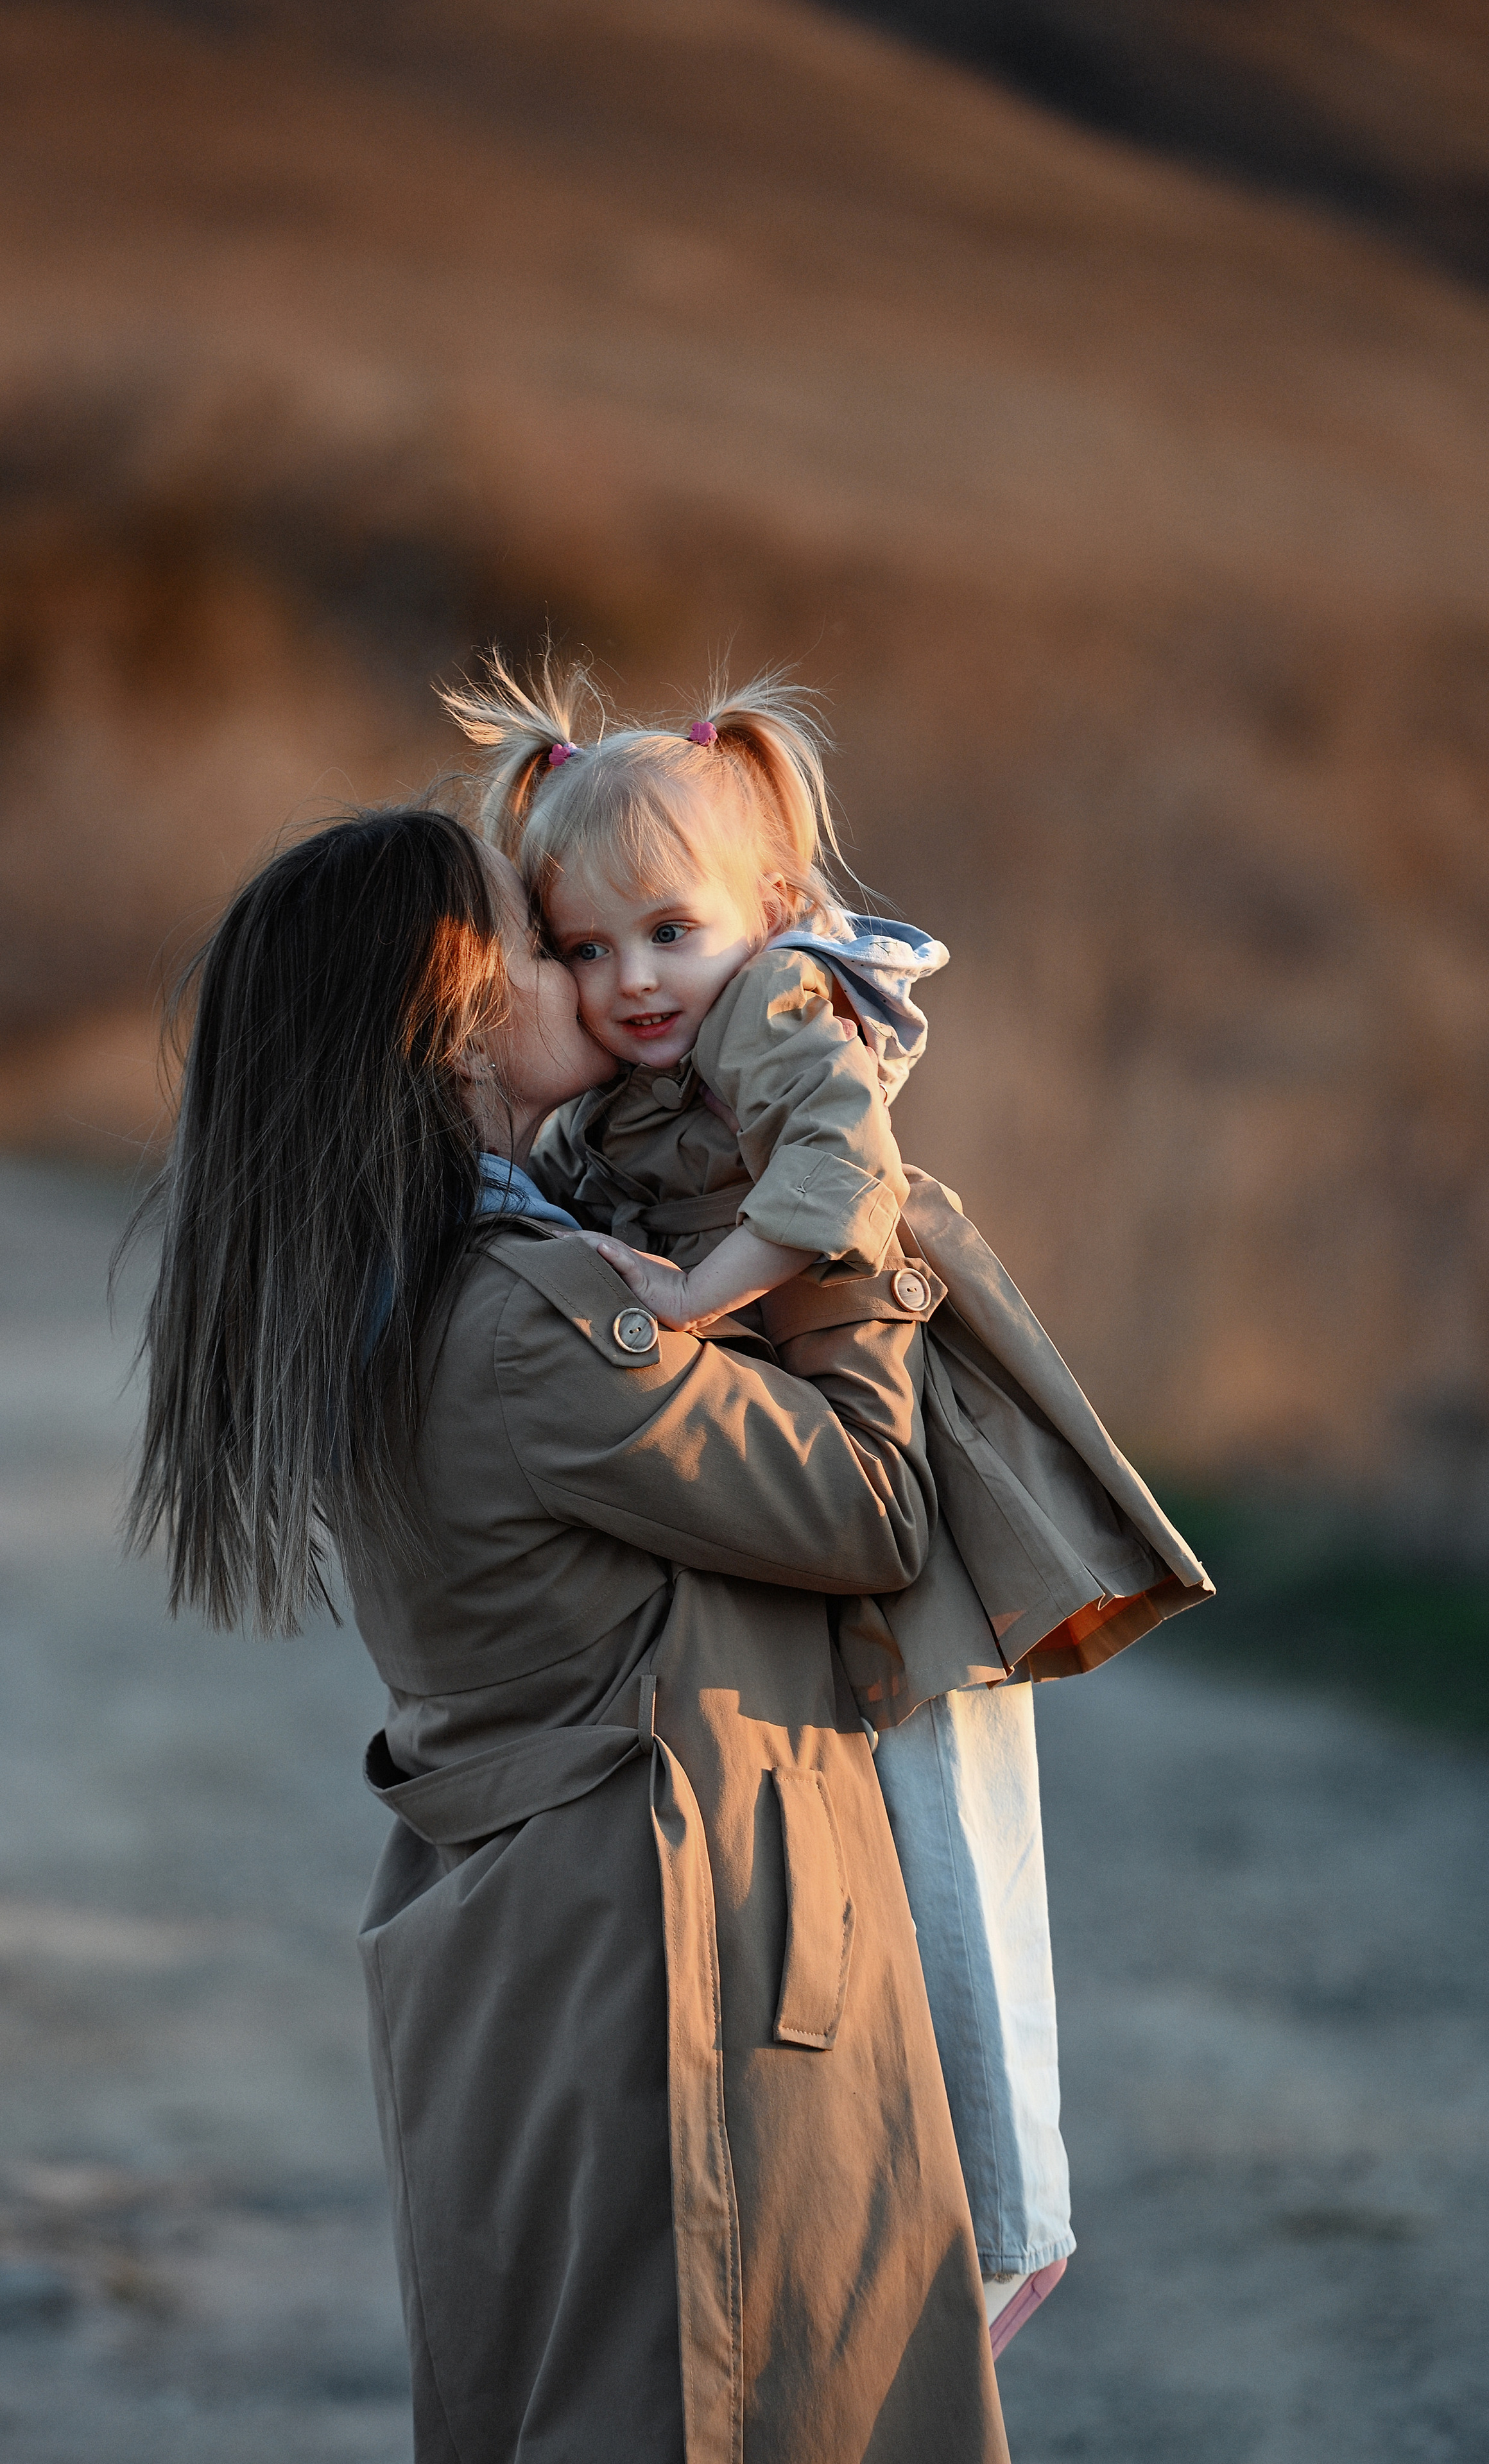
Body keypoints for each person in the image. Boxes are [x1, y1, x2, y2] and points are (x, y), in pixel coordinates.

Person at [120, 804, 1013, 2463]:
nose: (594, 976)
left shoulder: (400, 1288)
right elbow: (874, 1507)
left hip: (534, 1957)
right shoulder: (530, 1321)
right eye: (546, 943)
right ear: (457, 1017)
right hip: (671, 1971)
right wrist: (841, 1210)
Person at [442, 657, 1215, 2338]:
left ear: (775, 904)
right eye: (586, 948)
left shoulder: (779, 1001)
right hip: (810, 1422)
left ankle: (1013, 2221)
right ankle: (907, 2206)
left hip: (922, 1437)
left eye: (671, 930)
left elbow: (837, 1175)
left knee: (950, 1825)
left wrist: (685, 1298)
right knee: (861, 1843)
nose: (633, 980)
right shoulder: (640, 1073)